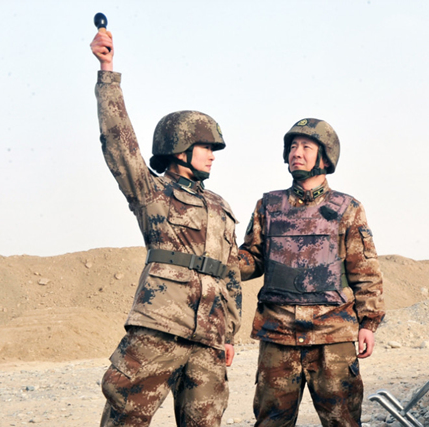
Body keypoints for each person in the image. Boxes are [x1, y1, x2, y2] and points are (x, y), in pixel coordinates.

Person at [91, 28, 241, 427]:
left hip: (208, 340)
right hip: (158, 330)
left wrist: (229, 334)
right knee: (127, 418)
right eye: (206, 147)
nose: (212, 156)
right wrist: (107, 73)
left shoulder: (220, 206)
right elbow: (119, 142)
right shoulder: (152, 192)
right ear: (179, 148)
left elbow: (230, 274)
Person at [238, 118, 385, 426]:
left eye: (306, 147)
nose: (297, 153)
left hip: (333, 335)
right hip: (278, 334)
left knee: (343, 422)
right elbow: (252, 259)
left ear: (325, 157)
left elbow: (364, 269)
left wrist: (369, 322)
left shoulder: (347, 208)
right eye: (293, 147)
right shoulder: (268, 206)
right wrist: (216, 259)